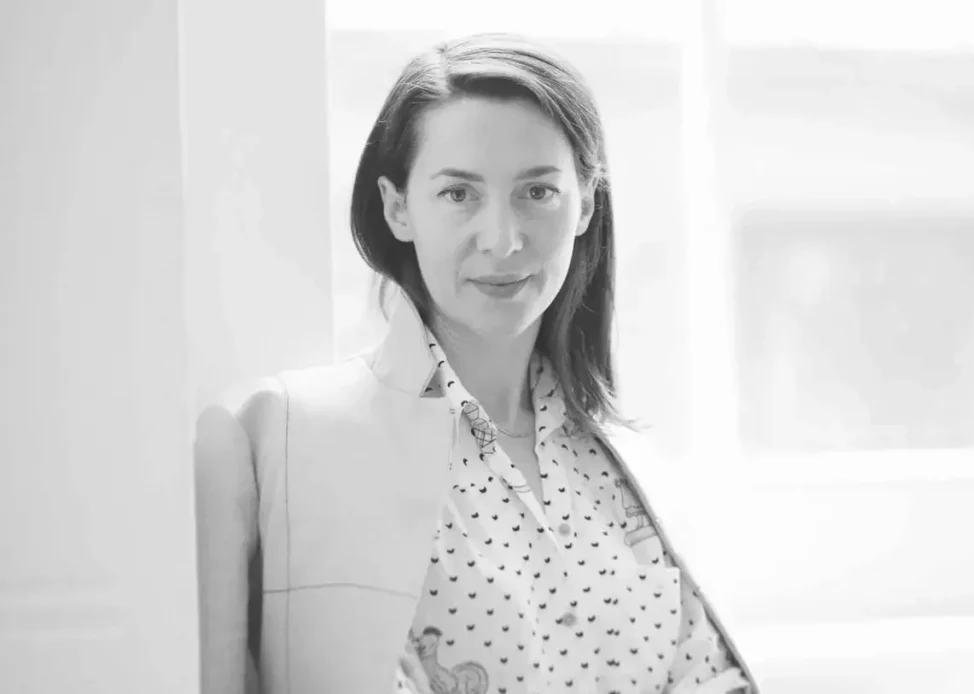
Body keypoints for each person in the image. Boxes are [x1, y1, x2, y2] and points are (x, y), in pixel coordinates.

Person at [194, 32, 759, 694]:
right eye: (459, 194)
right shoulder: (284, 437)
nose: (503, 238)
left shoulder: (634, 470)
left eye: (537, 192)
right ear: (397, 207)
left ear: (585, 204)